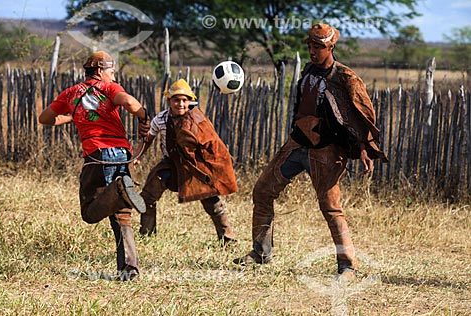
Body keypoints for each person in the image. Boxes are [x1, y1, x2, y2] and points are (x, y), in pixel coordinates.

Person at [233, 24, 387, 281]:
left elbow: (363, 113)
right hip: (297, 144)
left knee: (331, 207)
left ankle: (348, 266)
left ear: (331, 47)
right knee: (262, 191)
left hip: (326, 150)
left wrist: (363, 147)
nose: (313, 51)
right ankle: (261, 252)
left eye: (319, 47)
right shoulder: (308, 71)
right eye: (310, 46)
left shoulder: (345, 77)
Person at [38, 51, 150, 281]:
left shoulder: (70, 94)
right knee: (121, 215)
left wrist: (68, 116)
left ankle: (120, 190)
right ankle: (129, 270)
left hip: (97, 155)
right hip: (121, 154)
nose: (113, 77)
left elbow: (45, 118)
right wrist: (143, 118)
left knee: (89, 212)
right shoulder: (109, 89)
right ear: (100, 71)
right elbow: (130, 102)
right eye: (111, 72)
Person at [137, 78, 238, 245]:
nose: (181, 104)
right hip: (171, 164)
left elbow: (212, 144)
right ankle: (146, 236)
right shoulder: (160, 119)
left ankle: (228, 239)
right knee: (148, 195)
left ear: (190, 101)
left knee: (211, 200)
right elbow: (148, 139)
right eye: (176, 100)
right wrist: (138, 156)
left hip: (194, 166)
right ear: (169, 100)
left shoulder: (198, 119)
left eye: (185, 100)